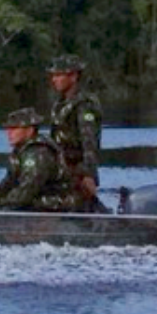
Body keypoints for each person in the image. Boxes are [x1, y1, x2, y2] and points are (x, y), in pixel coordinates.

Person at [0, 107, 80, 212]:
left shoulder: (38, 152)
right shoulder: (20, 150)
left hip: (58, 204)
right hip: (37, 202)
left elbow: (29, 187)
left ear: (30, 130)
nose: (9, 133)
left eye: (15, 128)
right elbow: (8, 182)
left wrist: (3, 206)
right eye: (8, 129)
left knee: (26, 203)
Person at [46, 54, 106, 212]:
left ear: (73, 76)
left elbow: (89, 141)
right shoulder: (60, 104)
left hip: (78, 172)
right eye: (53, 76)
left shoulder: (84, 104)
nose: (54, 80)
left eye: (59, 75)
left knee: (81, 210)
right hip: (61, 171)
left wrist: (89, 174)